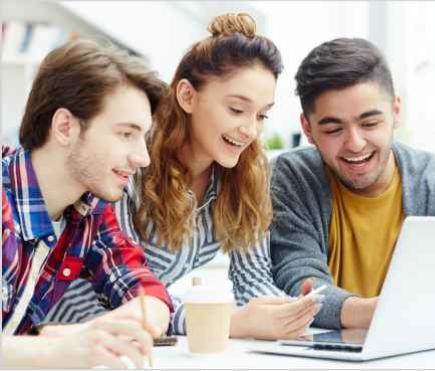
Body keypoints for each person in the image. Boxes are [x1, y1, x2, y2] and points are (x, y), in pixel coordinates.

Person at [44, 13, 320, 340]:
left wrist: (286, 311)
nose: (250, 130)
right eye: (236, 109)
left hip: (138, 339)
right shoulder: (130, 161)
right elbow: (123, 290)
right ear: (187, 96)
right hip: (57, 334)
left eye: (261, 115)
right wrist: (225, 320)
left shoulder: (244, 173)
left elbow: (252, 278)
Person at [270, 38, 435, 330]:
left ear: (396, 111)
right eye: (333, 128)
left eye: (369, 124)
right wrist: (387, 312)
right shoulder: (292, 178)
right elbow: (300, 284)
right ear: (308, 129)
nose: (355, 143)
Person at [2, 39, 174, 368]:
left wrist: (90, 333)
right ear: (65, 126)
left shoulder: (89, 212)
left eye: (143, 137)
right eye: (126, 134)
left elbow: (150, 298)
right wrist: (55, 351)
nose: (143, 158)